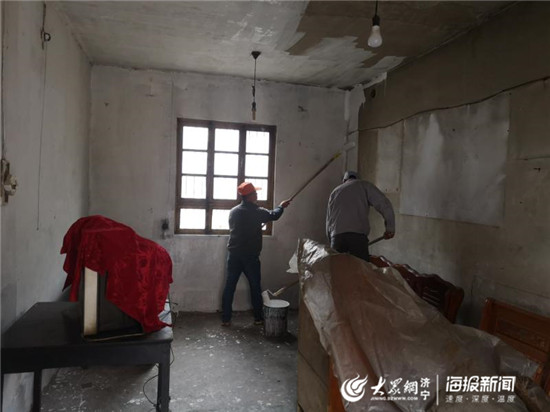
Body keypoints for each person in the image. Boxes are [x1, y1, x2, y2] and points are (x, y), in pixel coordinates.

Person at [221, 182, 291, 326]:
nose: (257, 195)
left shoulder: (234, 211)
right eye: (255, 193)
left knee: (229, 286)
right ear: (250, 196)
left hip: (234, 255)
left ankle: (226, 319)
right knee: (255, 286)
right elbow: (274, 215)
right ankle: (258, 318)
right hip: (250, 256)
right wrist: (281, 206)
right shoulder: (256, 211)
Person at [326, 171, 395, 262]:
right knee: (360, 269)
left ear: (344, 180)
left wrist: (332, 241)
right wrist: (390, 228)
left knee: (338, 269)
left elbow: (329, 221)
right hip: (357, 238)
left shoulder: (335, 192)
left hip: (337, 238)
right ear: (357, 178)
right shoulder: (364, 185)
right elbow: (385, 205)